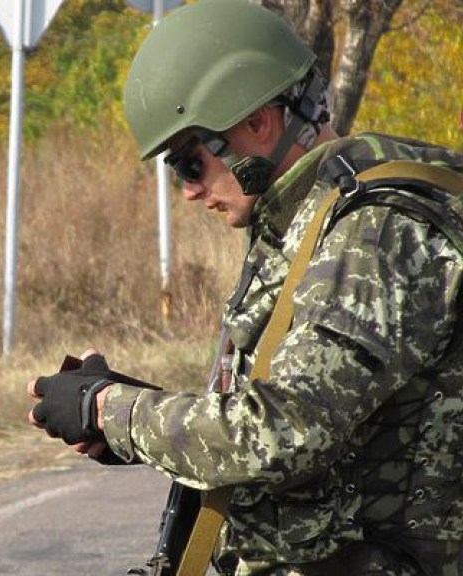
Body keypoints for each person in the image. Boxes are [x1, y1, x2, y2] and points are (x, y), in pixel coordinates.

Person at [26, 0, 463, 574]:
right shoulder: (304, 221)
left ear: (257, 122)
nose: (187, 191)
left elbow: (286, 429)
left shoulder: (373, 231)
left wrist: (114, 412)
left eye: (190, 163)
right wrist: (139, 420)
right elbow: (302, 422)